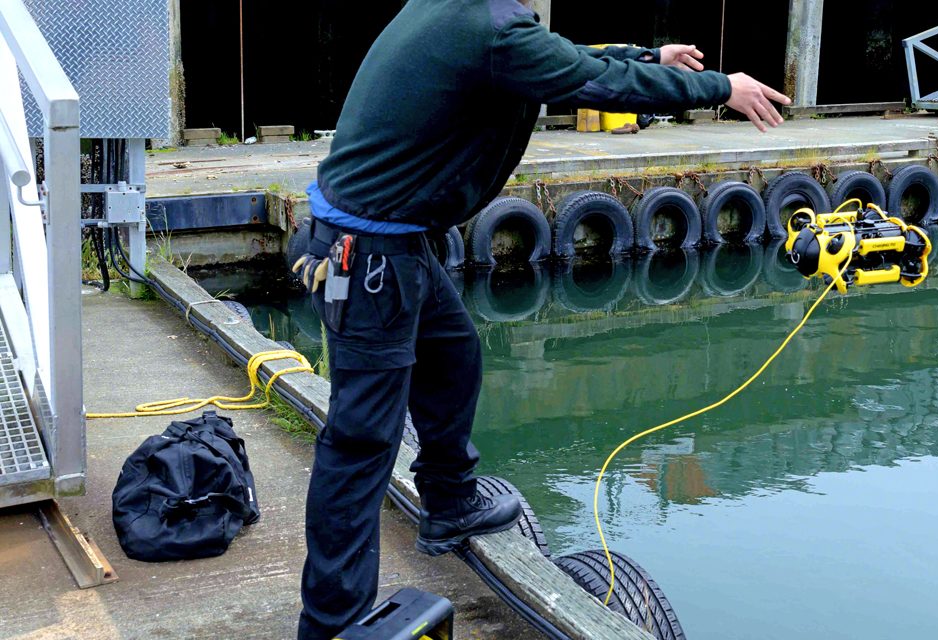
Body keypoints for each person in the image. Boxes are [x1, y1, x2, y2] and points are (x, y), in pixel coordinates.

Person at [291, 1, 791, 637]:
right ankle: (331, 623)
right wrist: (722, 87)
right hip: (371, 258)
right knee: (360, 445)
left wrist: (648, 56)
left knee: (454, 356)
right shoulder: (490, 27)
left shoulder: (462, 13)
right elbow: (594, 82)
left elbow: (570, 64)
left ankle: (448, 503)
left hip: (392, 243)